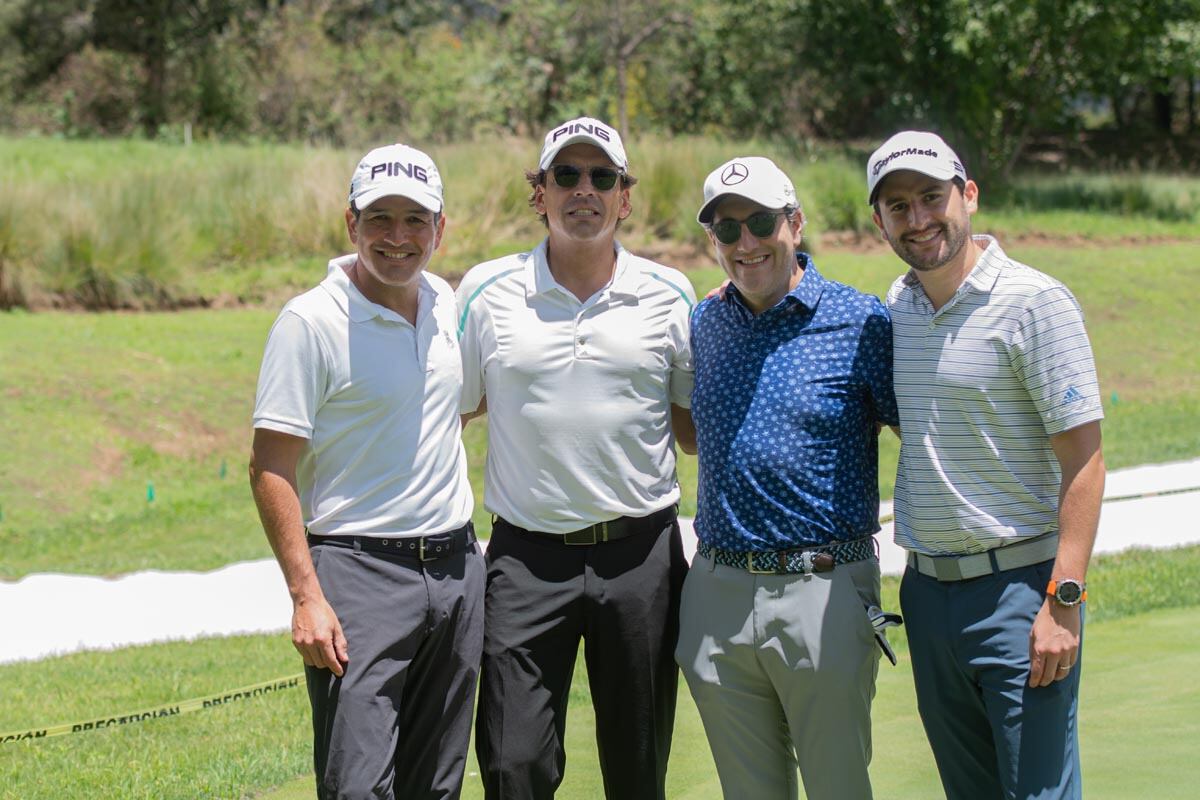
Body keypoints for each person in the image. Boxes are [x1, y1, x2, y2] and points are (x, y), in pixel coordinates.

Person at [456, 116, 696, 800]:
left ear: (626, 195)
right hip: (526, 557)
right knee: (513, 763)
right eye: (566, 175)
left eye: (602, 177)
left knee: (636, 764)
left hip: (641, 556)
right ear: (540, 193)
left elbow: (690, 429)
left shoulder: (670, 293)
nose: (583, 189)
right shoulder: (486, 292)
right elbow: (453, 409)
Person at [868, 130, 1106, 799]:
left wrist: (1064, 601)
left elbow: (1084, 461)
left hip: (1021, 591)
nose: (917, 219)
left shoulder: (1036, 302)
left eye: (930, 197)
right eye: (897, 206)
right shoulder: (897, 308)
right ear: (879, 221)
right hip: (928, 595)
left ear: (968, 195)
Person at [248, 143, 483, 800]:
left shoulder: (445, 302)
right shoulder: (309, 322)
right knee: (358, 786)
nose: (399, 238)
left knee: (435, 785)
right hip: (357, 576)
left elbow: (461, 402)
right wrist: (305, 595)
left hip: (458, 570)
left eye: (416, 220)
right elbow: (270, 467)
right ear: (351, 224)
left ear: (441, 228)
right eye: (381, 219)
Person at [676, 156, 900, 799]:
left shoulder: (861, 322)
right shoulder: (705, 320)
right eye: (726, 229)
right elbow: (692, 434)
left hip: (823, 589)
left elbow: (916, 432)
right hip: (717, 590)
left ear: (794, 224)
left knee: (837, 788)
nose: (745, 242)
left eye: (761, 222)